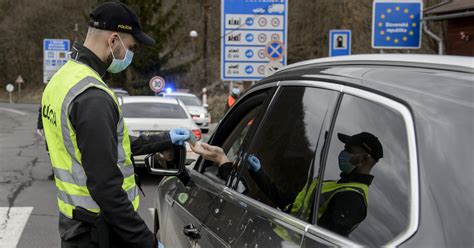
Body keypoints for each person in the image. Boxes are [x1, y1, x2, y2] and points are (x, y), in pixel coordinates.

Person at [41, 2, 189, 247]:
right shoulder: (93, 96)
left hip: (75, 224)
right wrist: (148, 243)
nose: (130, 55)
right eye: (130, 47)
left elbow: (105, 146)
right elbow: (106, 188)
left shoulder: (62, 80)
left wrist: (165, 139)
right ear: (113, 40)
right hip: (100, 231)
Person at [190, 132, 383, 237]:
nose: (343, 153)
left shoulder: (351, 199)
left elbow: (319, 242)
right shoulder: (335, 185)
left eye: (349, 150)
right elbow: (287, 202)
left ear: (365, 159)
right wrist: (258, 173)